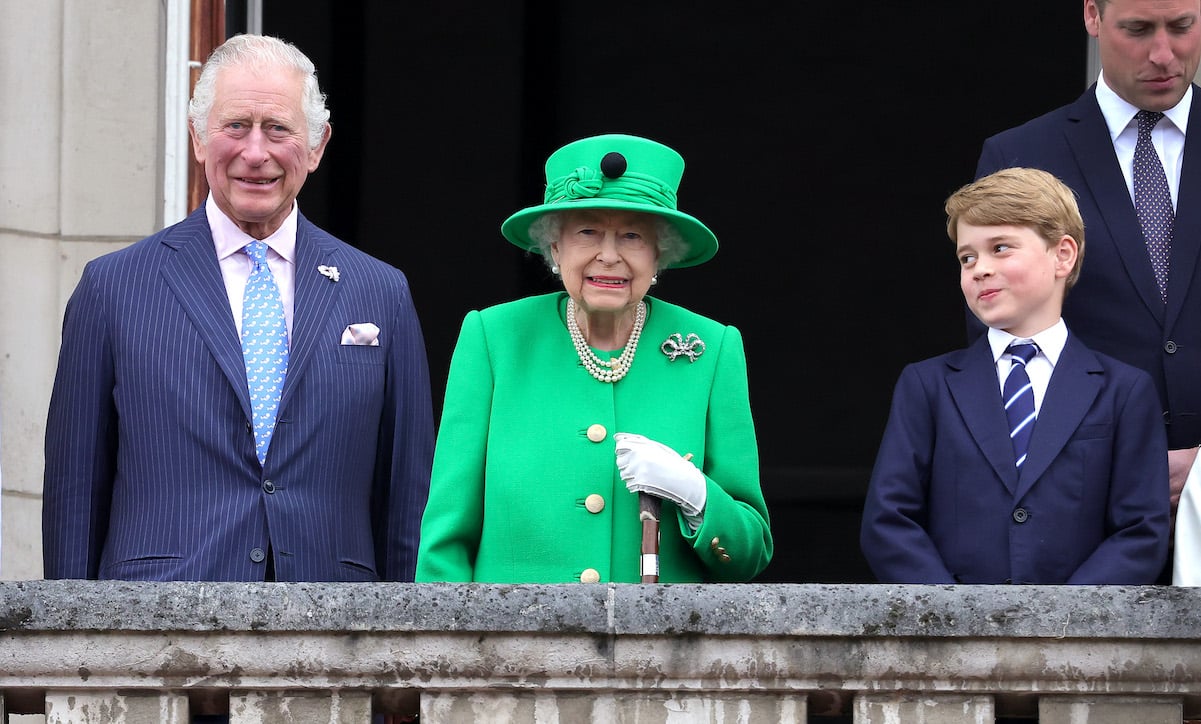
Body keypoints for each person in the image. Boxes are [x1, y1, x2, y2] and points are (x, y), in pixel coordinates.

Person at [41, 34, 434, 582]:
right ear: (198, 138)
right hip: (155, 628)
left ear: (317, 145)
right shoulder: (113, 287)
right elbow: (74, 492)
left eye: (278, 128)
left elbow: (406, 497)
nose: (256, 152)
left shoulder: (380, 292)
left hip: (334, 633)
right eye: (235, 127)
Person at [415, 133, 772, 583]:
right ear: (555, 247)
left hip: (661, 648)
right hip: (514, 646)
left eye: (632, 235)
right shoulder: (494, 339)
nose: (609, 255)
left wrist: (698, 498)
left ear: (660, 252)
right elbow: (445, 542)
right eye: (587, 231)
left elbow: (749, 553)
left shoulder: (712, 348)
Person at [860, 167, 1169, 584]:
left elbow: (1140, 531)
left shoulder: (1125, 390)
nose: (979, 269)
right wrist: (955, 618)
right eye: (966, 257)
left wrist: (1064, 620)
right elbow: (889, 520)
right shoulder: (927, 385)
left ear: (1063, 255)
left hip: (1075, 639)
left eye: (1000, 248)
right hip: (953, 638)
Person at [974, 0, 1201, 558]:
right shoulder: (1022, 154)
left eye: (1182, 26)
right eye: (1138, 29)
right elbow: (1005, 338)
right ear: (1092, 17)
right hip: (1082, 506)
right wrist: (1123, 461)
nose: (1163, 53)